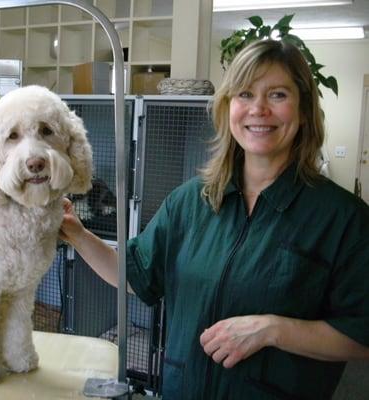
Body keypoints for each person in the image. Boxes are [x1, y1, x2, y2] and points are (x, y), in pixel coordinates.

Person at [59, 39, 369, 399]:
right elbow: (133, 273)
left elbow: (362, 336)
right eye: (245, 94)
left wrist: (273, 330)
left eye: (278, 95)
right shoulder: (191, 201)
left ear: (302, 110)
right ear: (227, 108)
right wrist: (77, 233)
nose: (259, 109)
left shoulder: (343, 220)